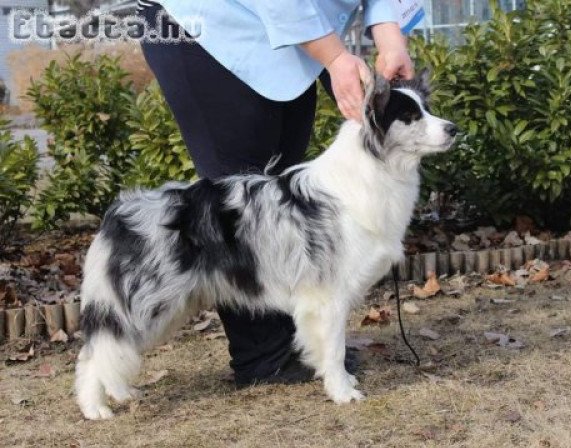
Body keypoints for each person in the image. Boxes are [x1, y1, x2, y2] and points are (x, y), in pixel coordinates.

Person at [137, 0, 415, 387]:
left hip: (295, 39)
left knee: (284, 196)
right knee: (239, 204)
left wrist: (390, 38)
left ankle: (299, 340)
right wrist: (335, 58)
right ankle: (263, 356)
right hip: (213, 30)